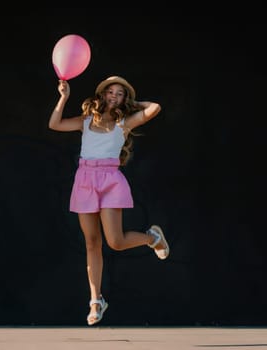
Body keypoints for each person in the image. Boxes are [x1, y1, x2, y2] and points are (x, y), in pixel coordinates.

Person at [48, 76, 170, 326]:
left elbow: (155, 108)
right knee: (92, 243)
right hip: (85, 180)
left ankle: (152, 238)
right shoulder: (86, 121)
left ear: (125, 99)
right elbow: (55, 124)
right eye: (110, 92)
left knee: (115, 242)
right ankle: (96, 300)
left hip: (110, 180)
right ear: (102, 94)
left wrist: (133, 103)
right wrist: (63, 97)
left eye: (120, 93)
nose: (114, 96)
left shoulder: (124, 122)